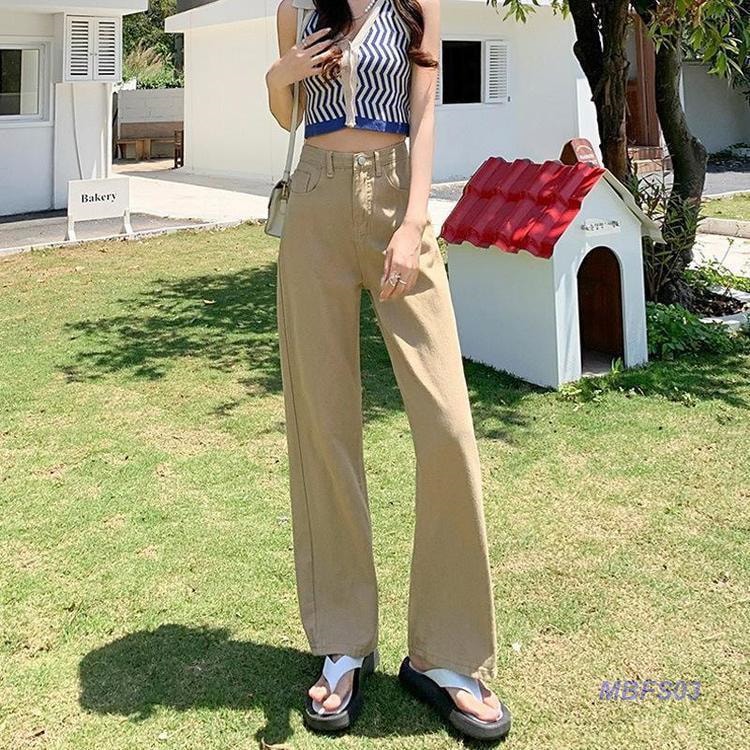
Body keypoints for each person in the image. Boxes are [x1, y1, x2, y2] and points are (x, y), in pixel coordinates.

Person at [265, 0, 511, 741]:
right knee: (324, 427)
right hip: (315, 200)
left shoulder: (415, 6)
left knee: (448, 427)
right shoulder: (296, 8)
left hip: (399, 199)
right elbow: (288, 116)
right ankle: (344, 642)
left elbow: (425, 112)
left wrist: (411, 221)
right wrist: (280, 74)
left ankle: (447, 654)